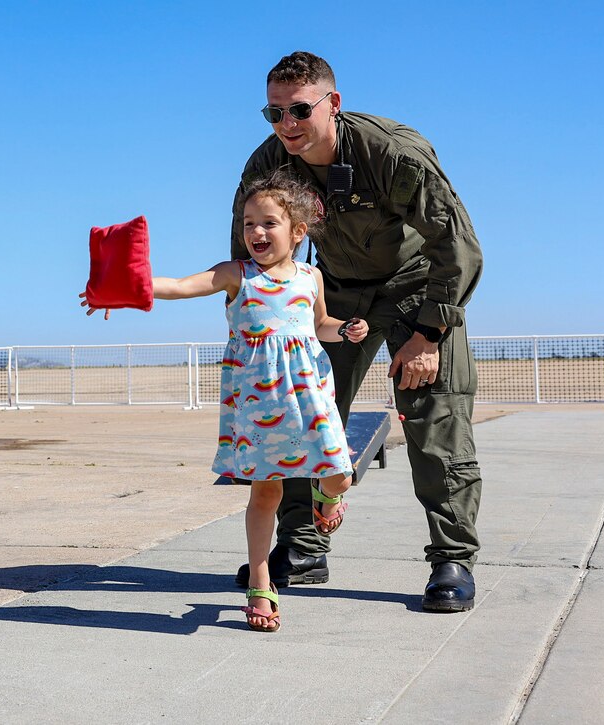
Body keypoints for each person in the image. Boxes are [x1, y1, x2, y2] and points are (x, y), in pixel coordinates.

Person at [231, 51, 484, 612]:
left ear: (333, 103)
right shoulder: (270, 164)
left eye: (299, 109)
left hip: (418, 285)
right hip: (334, 289)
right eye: (273, 113)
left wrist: (431, 334)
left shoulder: (391, 154)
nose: (287, 124)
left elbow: (458, 247)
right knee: (295, 413)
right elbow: (251, 250)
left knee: (435, 417)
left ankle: (452, 559)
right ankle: (302, 544)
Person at [86, 174, 368, 630]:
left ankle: (325, 497)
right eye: (248, 222)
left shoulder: (311, 277)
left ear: (298, 230)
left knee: (340, 476)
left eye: (269, 223)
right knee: (266, 492)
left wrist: (348, 328)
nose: (256, 232)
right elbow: (178, 285)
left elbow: (319, 326)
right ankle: (260, 583)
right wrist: (123, 287)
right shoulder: (237, 274)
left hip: (311, 396)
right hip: (259, 404)